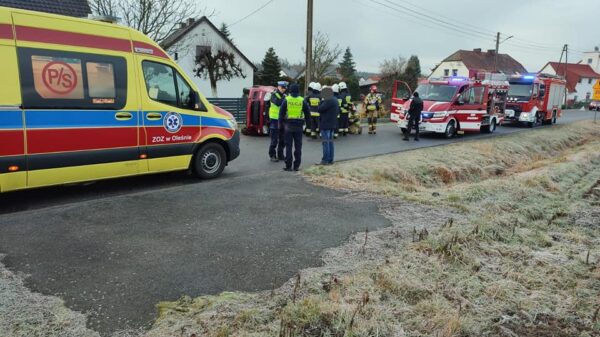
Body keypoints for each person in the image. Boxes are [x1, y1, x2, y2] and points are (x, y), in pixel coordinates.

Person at [279, 84, 310, 171]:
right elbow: (308, 114)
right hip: (299, 126)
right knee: (298, 146)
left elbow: (281, 113)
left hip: (288, 126)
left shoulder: (287, 100)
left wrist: (280, 124)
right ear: (298, 91)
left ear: (290, 91)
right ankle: (296, 166)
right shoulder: (302, 100)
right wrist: (309, 126)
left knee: (288, 146)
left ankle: (288, 166)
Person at [317, 86, 339, 165]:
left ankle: (325, 160)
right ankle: (330, 159)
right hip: (332, 124)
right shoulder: (334, 99)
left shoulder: (328, 100)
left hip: (326, 124)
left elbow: (319, 109)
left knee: (326, 143)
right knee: (330, 142)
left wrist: (322, 101)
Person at [268, 81, 287, 161]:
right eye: (282, 88)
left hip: (282, 119)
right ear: (278, 87)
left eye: (285, 88)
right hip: (274, 120)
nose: (284, 89)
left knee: (282, 139)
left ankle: (280, 154)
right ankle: (272, 155)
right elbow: (278, 103)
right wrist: (284, 98)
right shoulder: (273, 95)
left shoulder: (285, 96)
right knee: (274, 139)